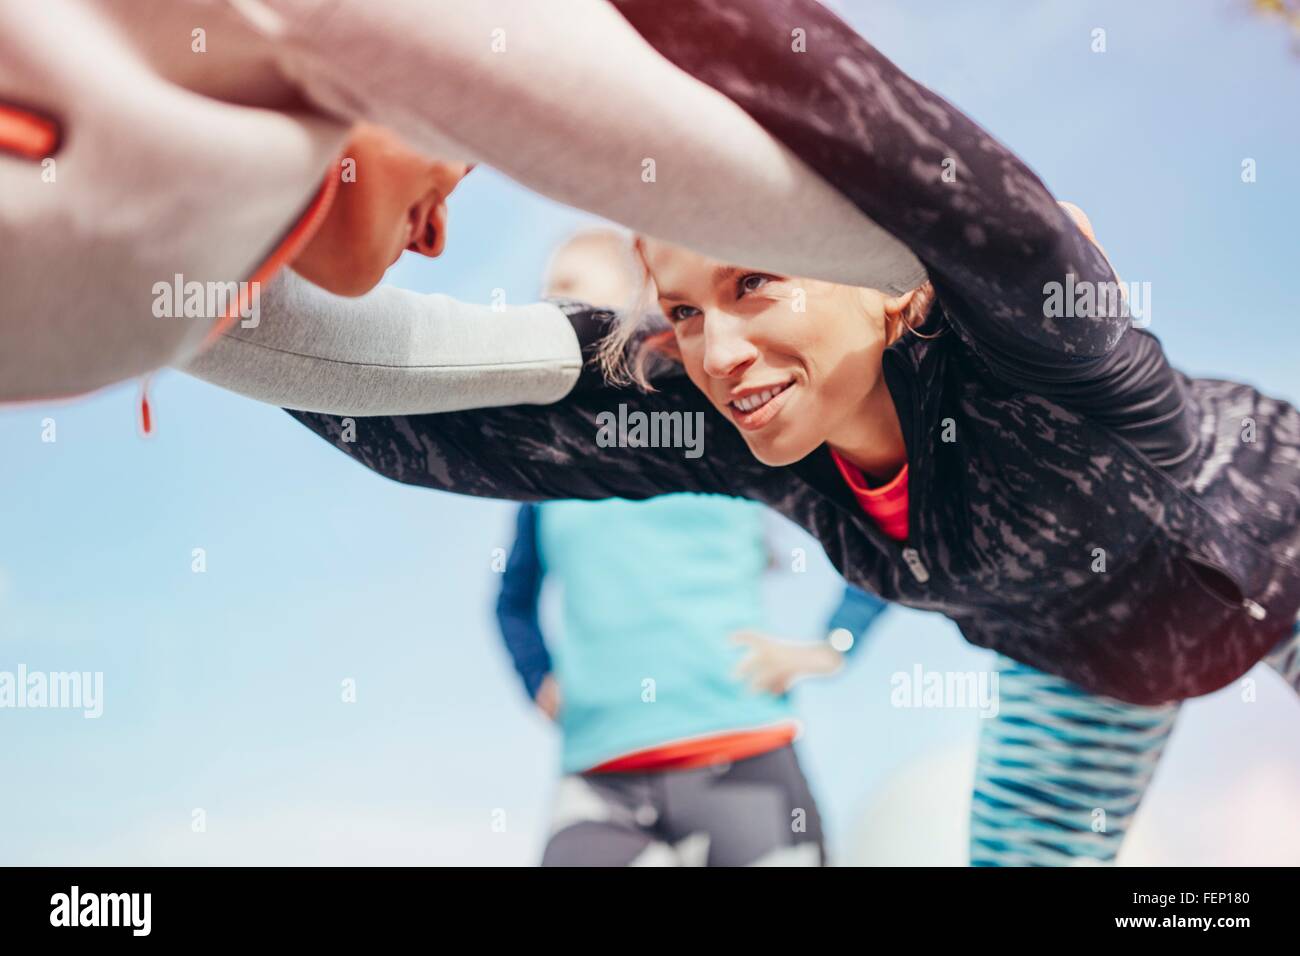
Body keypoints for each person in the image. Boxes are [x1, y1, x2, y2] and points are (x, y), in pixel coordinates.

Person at [185, 0, 1300, 865]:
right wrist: (187, 267)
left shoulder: (1034, 341)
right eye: (679, 310)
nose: (715, 354)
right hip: (1089, 671)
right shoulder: (752, 430)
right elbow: (425, 415)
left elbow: (850, 108)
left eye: (753, 281)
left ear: (887, 285)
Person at [1, 0, 923, 406]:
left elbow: (319, 347)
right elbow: (625, 124)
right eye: (472, 161)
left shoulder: (183, 241)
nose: (440, 241)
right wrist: (936, 258)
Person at [492, 231, 888, 866]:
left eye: (567, 292)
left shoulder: (726, 429)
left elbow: (882, 527)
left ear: (639, 310)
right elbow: (512, 601)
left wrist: (833, 644)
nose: (546, 309)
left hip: (742, 750)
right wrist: (537, 676)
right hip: (598, 770)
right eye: (542, 292)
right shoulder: (547, 476)